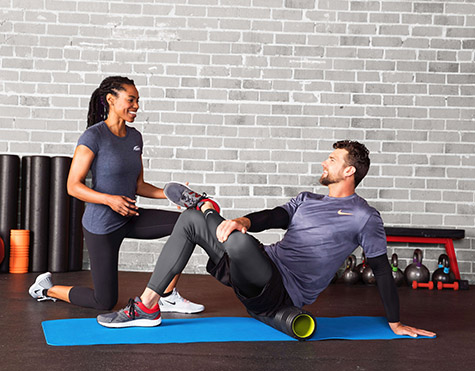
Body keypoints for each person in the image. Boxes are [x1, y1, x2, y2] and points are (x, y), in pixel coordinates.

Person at [96, 140, 436, 338]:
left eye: (332, 160)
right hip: (256, 269)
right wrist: (243, 219)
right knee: (188, 221)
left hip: (282, 293)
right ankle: (146, 305)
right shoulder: (308, 199)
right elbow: (275, 216)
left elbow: (379, 267)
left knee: (238, 240)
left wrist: (395, 321)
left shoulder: (365, 216)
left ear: (349, 171)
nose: (325, 162)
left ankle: (207, 207)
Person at [28, 76, 204, 313]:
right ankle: (45, 289)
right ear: (111, 100)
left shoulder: (135, 137)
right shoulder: (93, 137)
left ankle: (167, 295)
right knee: (105, 302)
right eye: (131, 100)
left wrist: (173, 195)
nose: (136, 106)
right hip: (102, 227)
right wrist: (109, 199)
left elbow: (138, 185)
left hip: (130, 217)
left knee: (188, 225)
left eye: (138, 100)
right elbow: (72, 185)